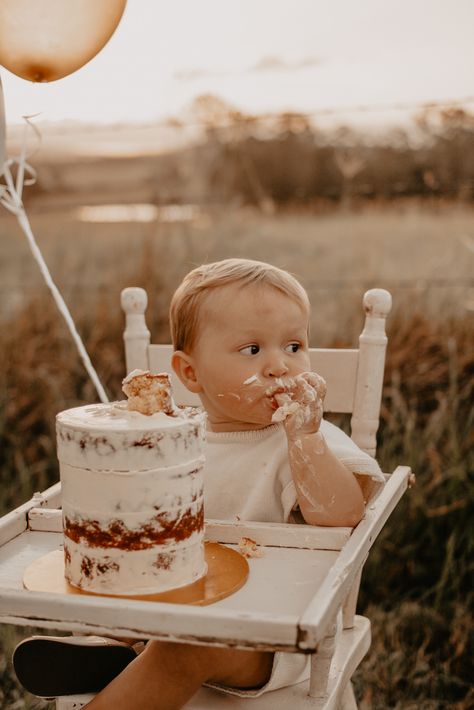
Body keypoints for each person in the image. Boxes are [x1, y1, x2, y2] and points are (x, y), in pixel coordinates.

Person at [13, 258, 384, 709]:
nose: (278, 367)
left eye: (294, 346)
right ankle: (111, 649)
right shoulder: (167, 440)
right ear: (189, 373)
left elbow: (344, 515)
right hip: (172, 600)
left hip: (267, 631)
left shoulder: (306, 439)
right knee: (125, 604)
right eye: (252, 350)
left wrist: (305, 441)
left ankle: (128, 658)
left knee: (185, 646)